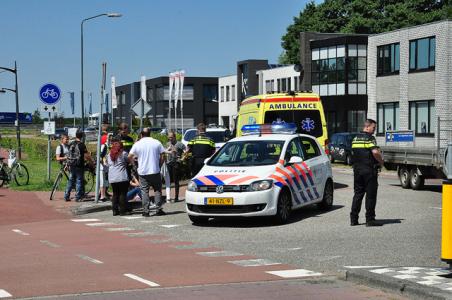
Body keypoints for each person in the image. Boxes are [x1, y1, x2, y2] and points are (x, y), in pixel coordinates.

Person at [350, 119, 385, 227]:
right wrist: (381, 162)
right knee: (370, 195)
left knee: (358, 194)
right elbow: (375, 152)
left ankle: (353, 219)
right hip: (369, 170)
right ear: (367, 127)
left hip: (357, 170)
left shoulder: (355, 138)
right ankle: (370, 220)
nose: (374, 130)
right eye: (373, 128)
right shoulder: (370, 138)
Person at [128, 128, 166, 217]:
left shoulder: (138, 144)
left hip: (143, 172)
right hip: (155, 170)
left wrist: (135, 166)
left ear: (141, 134)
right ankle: (158, 209)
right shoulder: (156, 142)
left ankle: (146, 211)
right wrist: (159, 165)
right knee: (157, 190)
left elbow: (130, 156)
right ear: (150, 134)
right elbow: (163, 155)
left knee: (144, 191)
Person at [64, 130, 93, 202]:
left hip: (71, 164)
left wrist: (67, 163)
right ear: (82, 136)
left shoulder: (71, 143)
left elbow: (68, 154)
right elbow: (87, 156)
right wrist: (91, 162)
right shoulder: (82, 145)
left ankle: (66, 196)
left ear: (76, 135)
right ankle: (78, 197)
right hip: (79, 165)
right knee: (79, 180)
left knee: (70, 180)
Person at [106, 139, 131, 216]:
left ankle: (114, 210)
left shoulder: (108, 155)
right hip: (121, 177)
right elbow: (129, 161)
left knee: (115, 193)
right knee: (123, 194)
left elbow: (107, 163)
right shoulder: (123, 154)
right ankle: (122, 211)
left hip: (112, 177)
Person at [165, 131, 186, 202]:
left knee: (176, 180)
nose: (170, 138)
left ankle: (176, 197)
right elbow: (164, 152)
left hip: (176, 163)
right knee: (168, 181)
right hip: (169, 163)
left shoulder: (180, 144)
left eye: (171, 137)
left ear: (174, 137)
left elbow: (186, 151)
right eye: (169, 137)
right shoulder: (167, 144)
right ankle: (168, 197)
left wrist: (182, 159)